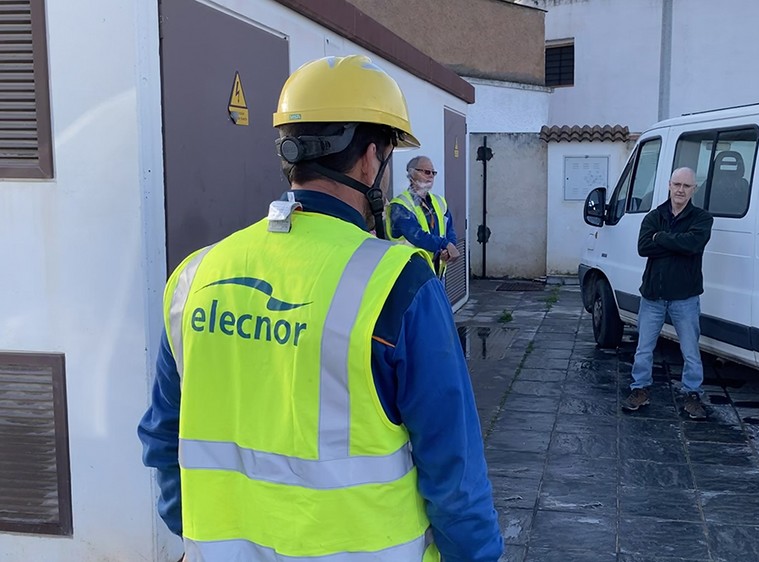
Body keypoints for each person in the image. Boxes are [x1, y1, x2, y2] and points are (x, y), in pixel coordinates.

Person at [137, 55, 503, 561]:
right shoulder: (398, 283)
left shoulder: (196, 276)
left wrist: (201, 534)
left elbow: (162, 439)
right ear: (371, 160)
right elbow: (453, 471)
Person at [622, 167, 713, 420]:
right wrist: (677, 243)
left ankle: (692, 394)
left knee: (690, 350)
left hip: (685, 297)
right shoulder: (654, 215)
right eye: (677, 184)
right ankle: (639, 389)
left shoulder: (702, 218)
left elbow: (693, 245)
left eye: (686, 186)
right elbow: (643, 247)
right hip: (653, 296)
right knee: (643, 348)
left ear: (694, 189)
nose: (680, 190)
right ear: (669, 185)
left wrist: (660, 238)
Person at [386, 155, 460, 278]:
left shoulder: (439, 201)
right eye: (426, 172)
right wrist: (445, 244)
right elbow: (417, 236)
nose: (431, 175)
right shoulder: (400, 205)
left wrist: (448, 249)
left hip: (436, 272)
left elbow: (449, 229)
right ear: (411, 175)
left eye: (433, 173)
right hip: (411, 274)